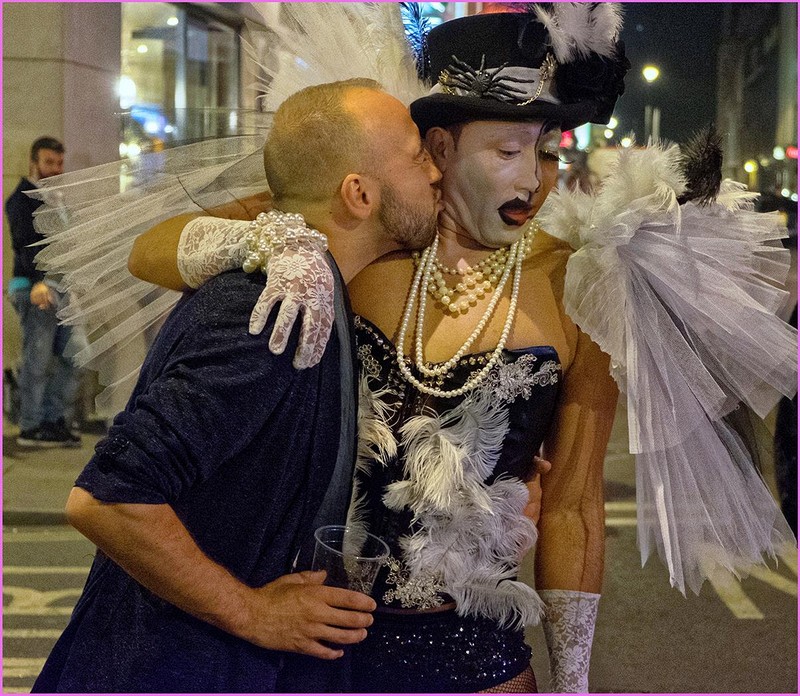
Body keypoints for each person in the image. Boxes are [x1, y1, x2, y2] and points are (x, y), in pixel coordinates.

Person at [126, 8, 626, 692]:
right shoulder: (368, 227)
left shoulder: (579, 286)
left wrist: (573, 685)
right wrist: (271, 241)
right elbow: (150, 250)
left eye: (547, 150)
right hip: (320, 646)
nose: (535, 181)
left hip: (478, 657)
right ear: (441, 149)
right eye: (510, 151)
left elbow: (574, 506)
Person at [30, 78, 442, 693]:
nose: (435, 172)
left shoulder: (313, 288)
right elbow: (106, 498)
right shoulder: (267, 314)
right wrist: (251, 612)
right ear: (358, 194)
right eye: (416, 156)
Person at [5, 136, 81, 447]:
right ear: (33, 163)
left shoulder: (56, 197)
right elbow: (24, 244)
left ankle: (53, 420)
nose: (56, 169)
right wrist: (38, 281)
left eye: (60, 163)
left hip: (60, 287)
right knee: (37, 359)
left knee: (72, 356)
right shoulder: (21, 199)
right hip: (34, 286)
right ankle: (30, 426)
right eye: (49, 162)